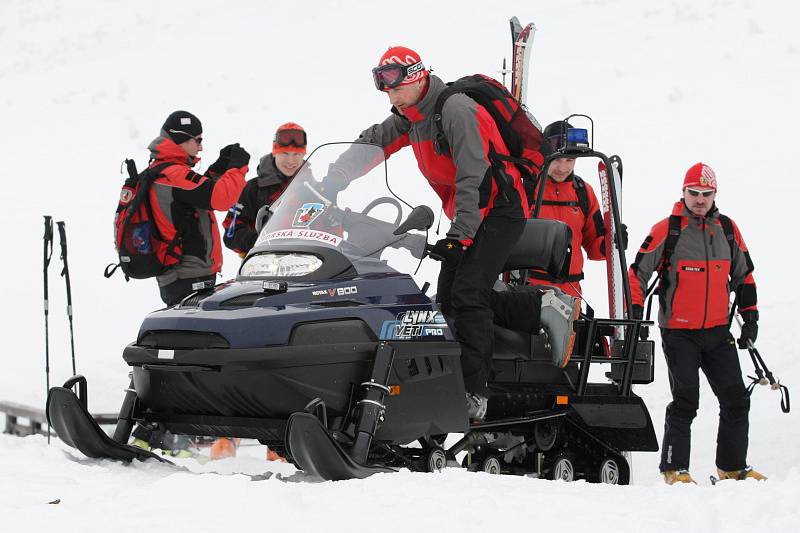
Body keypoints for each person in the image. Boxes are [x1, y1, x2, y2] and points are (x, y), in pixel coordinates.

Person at [325, 46, 580, 421]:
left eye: (394, 85)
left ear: (416, 76)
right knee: (448, 299)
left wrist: (461, 235)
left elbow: (472, 177)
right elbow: (374, 142)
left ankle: (474, 393)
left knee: (468, 292)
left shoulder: (456, 109)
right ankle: (538, 307)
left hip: (498, 209)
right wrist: (334, 178)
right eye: (383, 87)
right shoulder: (409, 118)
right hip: (469, 213)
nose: (389, 95)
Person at [629, 162, 765, 484]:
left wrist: (751, 318)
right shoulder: (668, 230)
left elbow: (744, 276)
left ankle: (732, 468)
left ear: (715, 194)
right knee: (686, 398)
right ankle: (675, 470)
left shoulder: (727, 230)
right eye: (694, 193)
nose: (700, 200)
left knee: (735, 398)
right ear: (683, 192)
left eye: (706, 194)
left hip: (718, 331)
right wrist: (635, 312)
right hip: (679, 333)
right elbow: (637, 273)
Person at [146, 110, 250, 306]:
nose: (201, 147)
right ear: (181, 138)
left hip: (182, 275)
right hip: (187, 276)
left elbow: (197, 196)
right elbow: (221, 199)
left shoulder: (166, 172)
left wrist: (219, 168)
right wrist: (237, 168)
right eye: (198, 140)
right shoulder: (173, 175)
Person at [527, 120, 623, 297]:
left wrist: (612, 243)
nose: (562, 167)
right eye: (556, 159)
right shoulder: (528, 188)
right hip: (529, 288)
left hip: (571, 292)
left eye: (570, 160)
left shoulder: (583, 192)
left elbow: (594, 248)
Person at [223, 122, 308, 256]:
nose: (290, 161)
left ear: (303, 156)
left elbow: (329, 226)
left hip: (310, 262)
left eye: (296, 154)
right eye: (285, 154)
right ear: (274, 153)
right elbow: (231, 232)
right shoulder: (253, 189)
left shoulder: (312, 188)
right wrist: (258, 242)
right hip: (263, 265)